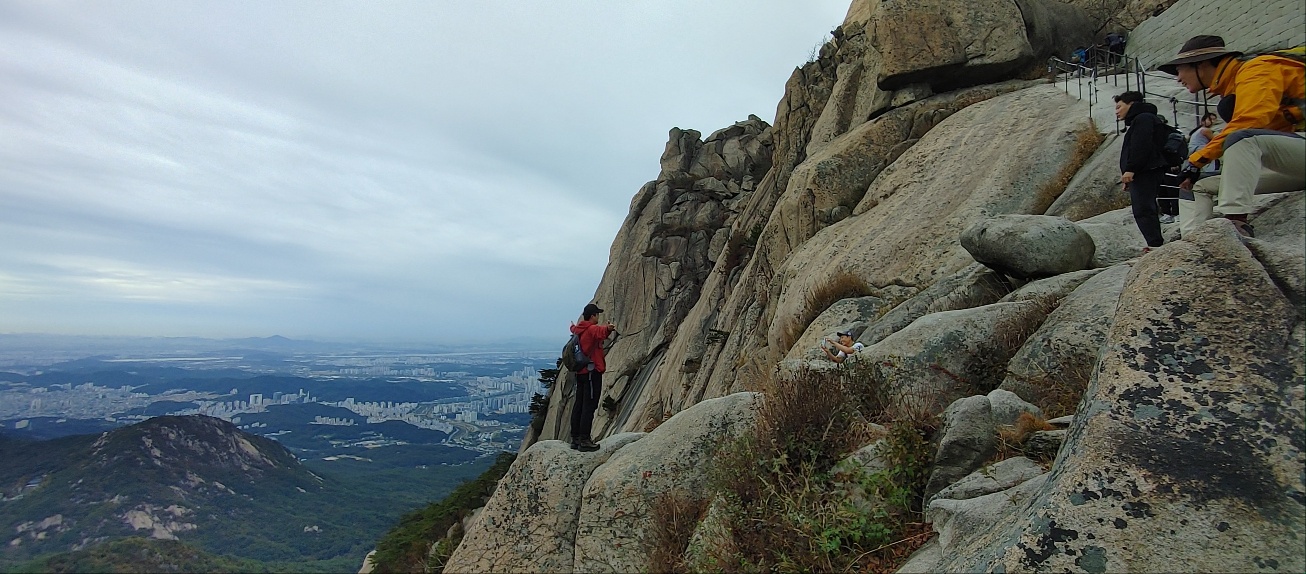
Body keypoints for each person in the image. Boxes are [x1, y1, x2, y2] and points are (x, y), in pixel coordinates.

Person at [1159, 35, 1306, 239]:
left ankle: (1235, 225)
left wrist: (1196, 161)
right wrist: (1194, 169)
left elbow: (1250, 123)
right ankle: (1195, 242)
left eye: (1178, 70)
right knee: (1196, 186)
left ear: (1201, 64)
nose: (1178, 78)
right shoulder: (1236, 86)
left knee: (1242, 138)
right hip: (1295, 162)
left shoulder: (1257, 69)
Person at [1114, 91, 1170, 251]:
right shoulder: (1144, 118)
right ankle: (1154, 242)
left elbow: (1141, 145)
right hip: (1144, 170)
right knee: (1145, 206)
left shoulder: (1143, 119)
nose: (1116, 111)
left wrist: (1131, 169)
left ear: (1131, 104)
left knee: (1143, 208)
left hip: (1145, 170)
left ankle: (1155, 244)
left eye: (1119, 107)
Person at [568, 303, 615, 452]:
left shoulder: (578, 329)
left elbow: (573, 329)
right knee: (589, 406)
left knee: (579, 405)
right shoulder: (591, 328)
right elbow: (601, 332)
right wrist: (609, 328)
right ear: (593, 316)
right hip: (591, 373)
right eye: (597, 314)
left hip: (581, 373)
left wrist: (572, 326)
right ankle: (584, 440)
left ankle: (575, 438)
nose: (598, 317)